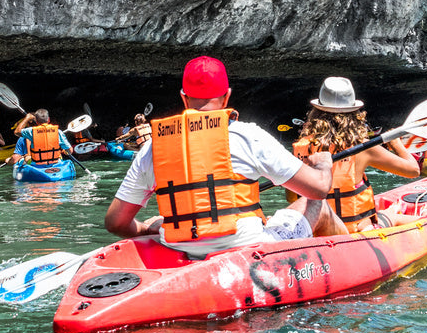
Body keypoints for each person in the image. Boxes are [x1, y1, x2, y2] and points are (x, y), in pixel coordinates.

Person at [103, 56, 334, 257]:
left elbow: (116, 222)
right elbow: (318, 189)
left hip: (178, 247)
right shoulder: (249, 136)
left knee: (156, 220)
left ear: (184, 98)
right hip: (248, 247)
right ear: (227, 96)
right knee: (316, 203)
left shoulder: (152, 147)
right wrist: (323, 163)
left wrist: (147, 229)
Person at [291, 76, 420, 234]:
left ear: (316, 112)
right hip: (354, 231)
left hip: (316, 230)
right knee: (392, 215)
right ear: (354, 114)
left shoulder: (300, 148)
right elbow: (413, 170)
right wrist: (396, 144)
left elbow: (293, 199)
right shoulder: (362, 147)